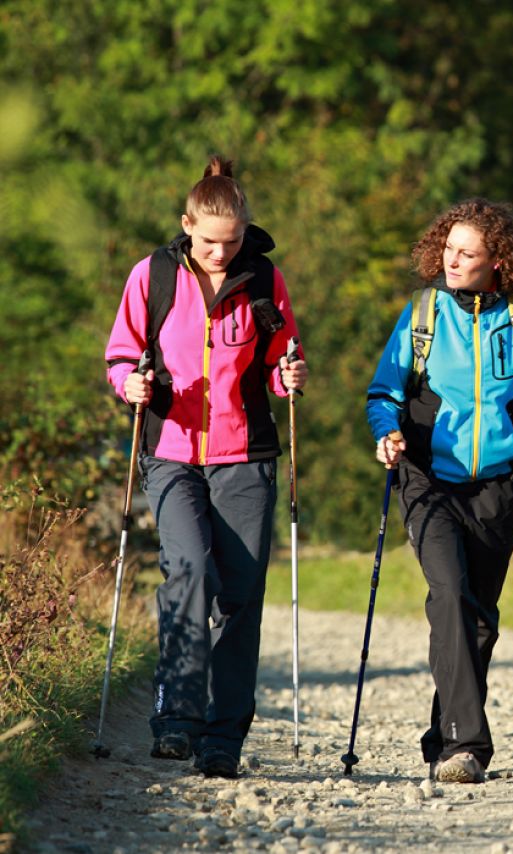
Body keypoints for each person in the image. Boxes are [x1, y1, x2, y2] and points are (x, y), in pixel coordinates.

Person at [104, 155, 308, 779]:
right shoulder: (154, 275)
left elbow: (280, 361)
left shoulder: (265, 281)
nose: (222, 253)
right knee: (188, 570)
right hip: (171, 452)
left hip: (246, 458)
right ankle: (177, 719)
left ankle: (224, 739)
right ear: (187, 225)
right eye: (211, 241)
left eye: (234, 240)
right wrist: (129, 385)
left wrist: (288, 375)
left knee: (242, 599)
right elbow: (121, 355)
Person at [366, 198, 513, 784]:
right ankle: (469, 745)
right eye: (448, 249)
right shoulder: (424, 314)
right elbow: (384, 394)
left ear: (496, 261)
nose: (451, 261)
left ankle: (443, 739)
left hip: (497, 484)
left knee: (479, 619)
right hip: (427, 477)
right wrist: (387, 434)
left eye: (467, 253)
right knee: (450, 594)